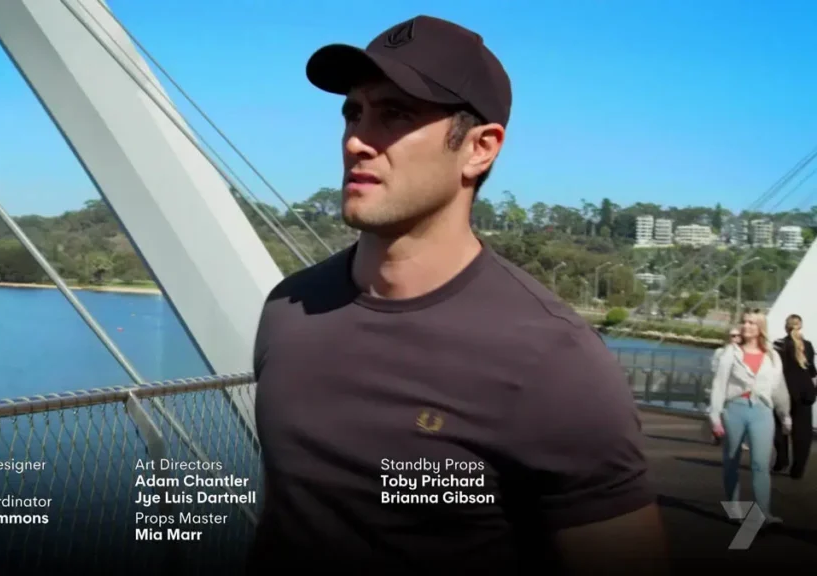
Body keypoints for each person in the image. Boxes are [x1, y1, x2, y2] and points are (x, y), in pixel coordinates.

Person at [249, 15, 667, 574]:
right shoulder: (288, 310)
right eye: (353, 112)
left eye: (395, 114)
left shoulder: (553, 360)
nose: (356, 141)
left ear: (479, 149)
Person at [709, 311, 791, 524]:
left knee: (760, 464)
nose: (746, 326)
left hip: (762, 411)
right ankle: (733, 508)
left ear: (760, 327)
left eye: (751, 323)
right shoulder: (730, 353)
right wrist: (715, 416)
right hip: (735, 409)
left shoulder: (772, 355)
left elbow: (778, 388)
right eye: (744, 322)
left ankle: (764, 513)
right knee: (731, 460)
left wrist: (785, 415)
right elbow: (719, 385)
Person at [772, 314, 816, 478]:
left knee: (779, 426)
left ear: (786, 327)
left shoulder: (778, 345)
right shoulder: (808, 345)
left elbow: (774, 370)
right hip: (805, 391)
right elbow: (812, 371)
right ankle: (798, 469)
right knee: (803, 432)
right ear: (801, 326)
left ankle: (782, 460)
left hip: (784, 390)